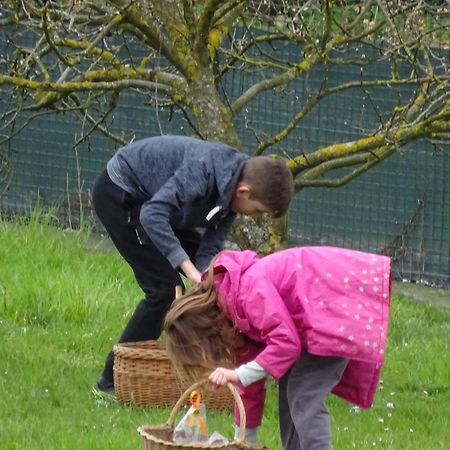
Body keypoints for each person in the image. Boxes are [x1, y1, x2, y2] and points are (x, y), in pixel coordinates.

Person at [92, 135, 295, 392]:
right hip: (123, 197)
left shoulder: (231, 192)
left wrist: (205, 277)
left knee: (217, 279)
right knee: (165, 291)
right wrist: (188, 270)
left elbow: (209, 246)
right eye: (256, 211)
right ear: (244, 191)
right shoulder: (204, 170)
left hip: (157, 204)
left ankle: (201, 365)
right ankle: (112, 379)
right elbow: (152, 215)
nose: (253, 216)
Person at [164, 246, 392, 449]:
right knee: (292, 390)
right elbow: (249, 387)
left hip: (332, 303)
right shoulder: (233, 316)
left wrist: (238, 374)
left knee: (304, 395)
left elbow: (286, 343)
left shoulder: (247, 293)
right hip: (314, 316)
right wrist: (244, 441)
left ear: (206, 332)